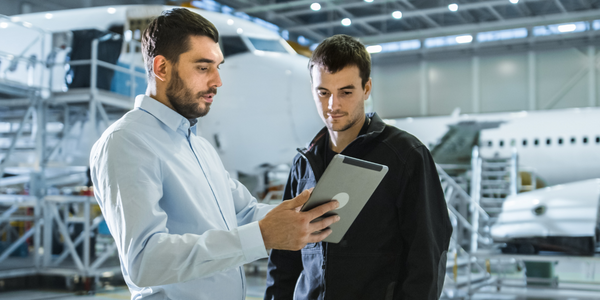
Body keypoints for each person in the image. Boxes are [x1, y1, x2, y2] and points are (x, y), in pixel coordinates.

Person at [89, 8, 339, 300]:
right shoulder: (128, 142)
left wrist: (309, 215)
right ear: (161, 68)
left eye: (218, 66)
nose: (218, 81)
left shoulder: (198, 146)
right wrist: (262, 237)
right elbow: (144, 260)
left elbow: (243, 213)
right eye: (203, 67)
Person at [264, 34, 453, 300]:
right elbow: (284, 259)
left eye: (346, 92)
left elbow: (427, 256)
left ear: (366, 89)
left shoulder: (405, 155)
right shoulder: (304, 163)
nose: (333, 105)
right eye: (323, 92)